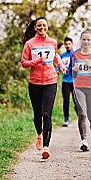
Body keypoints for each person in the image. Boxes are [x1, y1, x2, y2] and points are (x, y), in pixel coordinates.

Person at [21, 17, 66, 159]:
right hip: (34, 82)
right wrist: (37, 61)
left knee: (47, 114)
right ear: (35, 27)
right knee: (37, 114)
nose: (42, 28)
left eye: (44, 25)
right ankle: (39, 134)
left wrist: (61, 65)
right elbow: (24, 63)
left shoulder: (52, 42)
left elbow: (55, 56)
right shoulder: (30, 44)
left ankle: (46, 147)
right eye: (39, 26)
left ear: (47, 27)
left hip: (50, 81)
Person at [71, 28, 91, 152]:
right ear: (80, 40)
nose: (86, 42)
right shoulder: (75, 54)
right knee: (82, 113)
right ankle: (84, 140)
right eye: (84, 39)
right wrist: (74, 69)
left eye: (88, 40)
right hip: (78, 86)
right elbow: (71, 74)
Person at [58, 37, 78, 127]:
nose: (67, 45)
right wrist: (57, 70)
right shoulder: (62, 56)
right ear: (64, 45)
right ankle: (66, 119)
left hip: (75, 81)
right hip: (65, 81)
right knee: (66, 101)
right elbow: (58, 66)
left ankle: (79, 116)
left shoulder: (76, 54)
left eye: (69, 44)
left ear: (72, 44)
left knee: (76, 100)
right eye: (66, 44)